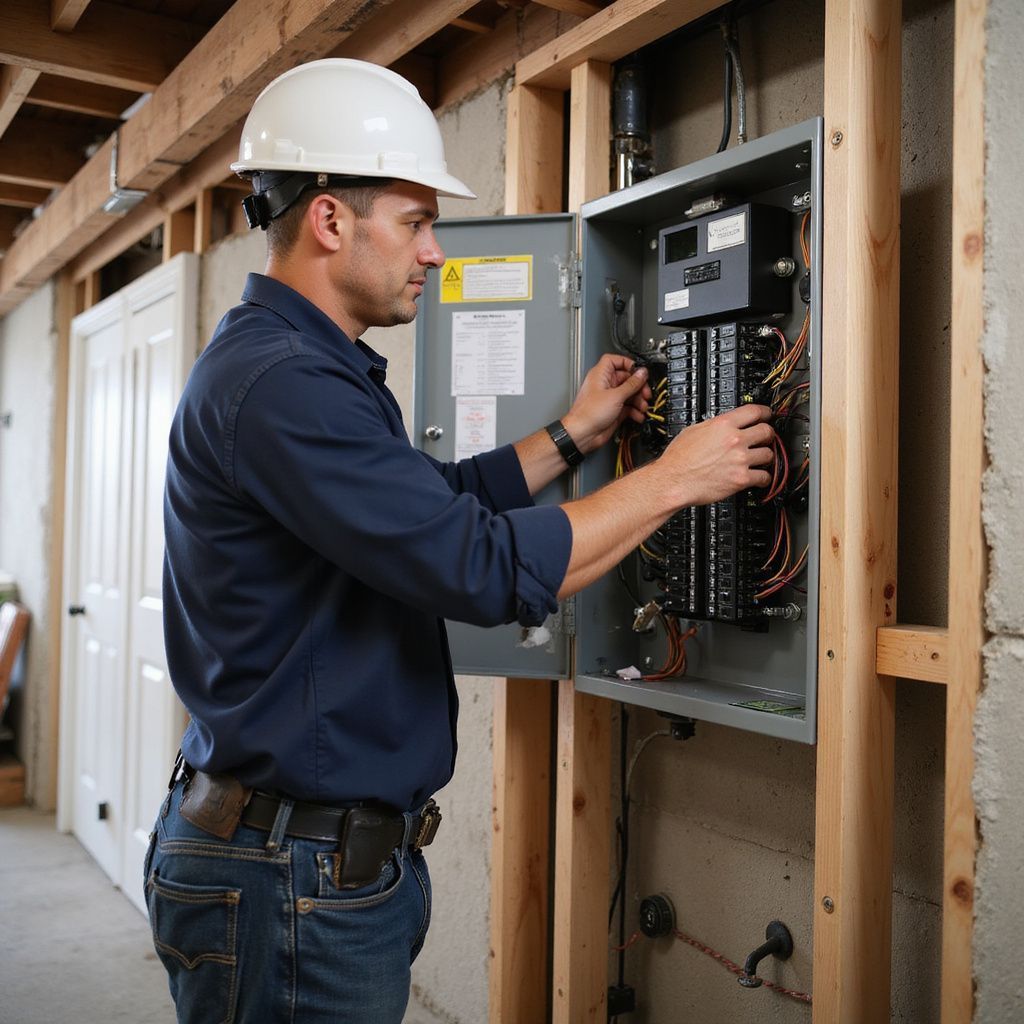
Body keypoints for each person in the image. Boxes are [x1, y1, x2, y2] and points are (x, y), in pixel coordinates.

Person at [146, 59, 774, 1023]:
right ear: (329, 220)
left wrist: (574, 436)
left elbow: (434, 507)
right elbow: (474, 565)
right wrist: (678, 477)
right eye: (415, 221)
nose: (434, 252)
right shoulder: (282, 386)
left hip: (314, 862)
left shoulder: (307, 369)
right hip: (288, 878)